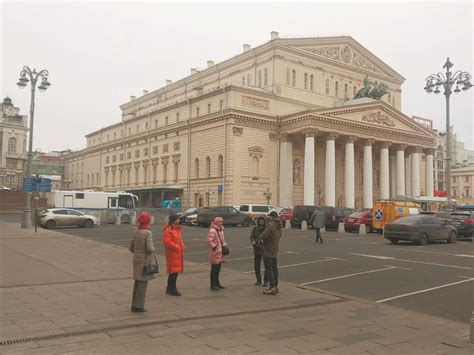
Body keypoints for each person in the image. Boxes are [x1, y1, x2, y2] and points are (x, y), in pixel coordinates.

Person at [129, 212, 156, 312]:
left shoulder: (136, 232)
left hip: (136, 259)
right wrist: (153, 249)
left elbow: (131, 248)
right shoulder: (148, 233)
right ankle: (138, 306)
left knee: (137, 282)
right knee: (143, 284)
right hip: (145, 261)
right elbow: (149, 249)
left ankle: (134, 304)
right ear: (148, 222)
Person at [163, 213, 186, 296]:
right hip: (173, 253)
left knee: (175, 272)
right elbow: (167, 242)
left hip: (177, 253)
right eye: (177, 219)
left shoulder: (176, 229)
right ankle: (171, 288)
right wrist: (177, 247)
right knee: (173, 272)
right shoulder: (169, 229)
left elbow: (178, 240)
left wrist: (182, 246)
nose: (179, 220)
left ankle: (171, 288)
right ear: (174, 220)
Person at [261, 211, 282, 295]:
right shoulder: (279, 225)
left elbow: (265, 235)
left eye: (270, 217)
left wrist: (260, 237)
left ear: (272, 217)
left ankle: (272, 287)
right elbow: (280, 236)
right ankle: (275, 286)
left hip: (268, 249)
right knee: (274, 268)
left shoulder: (270, 225)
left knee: (269, 268)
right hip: (275, 248)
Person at [207, 217, 227, 291]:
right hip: (215, 252)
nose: (221, 223)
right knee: (214, 269)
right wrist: (215, 247)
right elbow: (209, 241)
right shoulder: (212, 230)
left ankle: (217, 283)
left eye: (222, 221)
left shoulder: (221, 230)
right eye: (219, 222)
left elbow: (222, 240)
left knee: (218, 269)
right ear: (216, 222)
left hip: (220, 251)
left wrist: (223, 244)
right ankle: (213, 284)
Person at [250, 216, 267, 286]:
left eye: (262, 220)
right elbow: (251, 237)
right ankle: (258, 280)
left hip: (265, 250)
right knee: (256, 266)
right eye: (260, 220)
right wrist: (253, 241)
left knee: (267, 266)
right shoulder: (255, 229)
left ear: (264, 221)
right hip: (256, 249)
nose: (261, 222)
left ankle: (266, 281)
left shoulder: (266, 229)